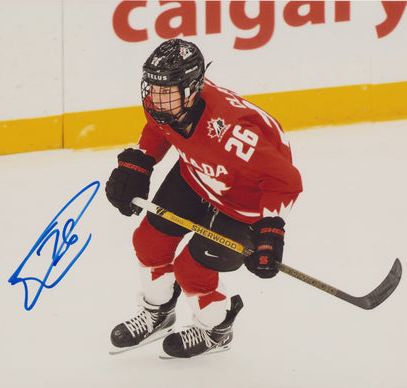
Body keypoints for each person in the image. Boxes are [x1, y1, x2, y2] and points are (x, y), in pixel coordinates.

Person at [105, 38, 303, 358]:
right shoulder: (166, 102)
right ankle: (159, 313)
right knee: (148, 241)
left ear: (193, 88)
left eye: (166, 92)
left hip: (243, 204)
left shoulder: (234, 132)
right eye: (152, 89)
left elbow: (286, 180)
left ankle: (217, 327)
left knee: (191, 270)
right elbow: (159, 128)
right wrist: (140, 163)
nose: (156, 99)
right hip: (197, 176)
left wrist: (270, 230)